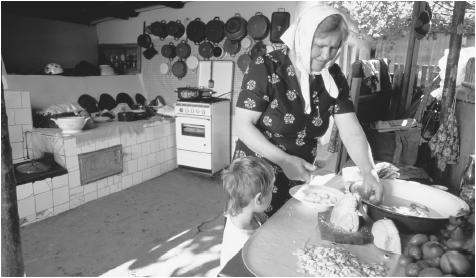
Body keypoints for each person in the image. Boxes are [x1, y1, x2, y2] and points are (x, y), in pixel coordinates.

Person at [233, 3, 383, 216]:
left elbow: (350, 129)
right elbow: (242, 125)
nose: (326, 56)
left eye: (334, 48)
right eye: (320, 45)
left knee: (286, 232)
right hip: (255, 177)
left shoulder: (334, 77)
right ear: (303, 38)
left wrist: (369, 172)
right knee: (249, 236)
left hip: (298, 175)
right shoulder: (265, 67)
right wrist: (284, 160)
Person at [219, 156, 275, 269]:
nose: (272, 194)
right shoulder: (245, 243)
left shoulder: (239, 210)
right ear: (259, 199)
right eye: (271, 190)